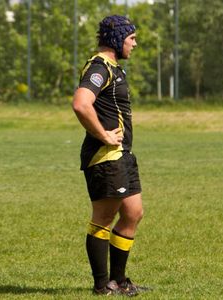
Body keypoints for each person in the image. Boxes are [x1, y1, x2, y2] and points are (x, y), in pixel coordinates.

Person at [72, 15, 147, 296]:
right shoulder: (99, 67)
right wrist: (103, 135)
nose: (135, 44)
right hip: (106, 155)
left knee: (133, 213)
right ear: (117, 39)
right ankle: (102, 285)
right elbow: (81, 104)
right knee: (103, 218)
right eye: (131, 38)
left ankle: (119, 280)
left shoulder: (114, 68)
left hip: (123, 154)